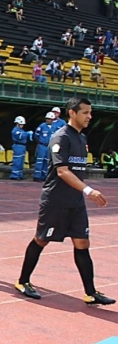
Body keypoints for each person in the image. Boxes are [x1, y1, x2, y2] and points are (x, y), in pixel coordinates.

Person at [15, 98, 115, 306]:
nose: (89, 116)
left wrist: (82, 193)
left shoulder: (82, 138)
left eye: (90, 113)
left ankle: (90, 292)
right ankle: (23, 281)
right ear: (72, 113)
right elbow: (62, 171)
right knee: (41, 239)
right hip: (56, 201)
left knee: (82, 243)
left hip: (75, 202)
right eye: (85, 112)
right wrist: (89, 190)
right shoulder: (60, 137)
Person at [33, 112, 55, 182]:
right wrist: (39, 142)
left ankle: (44, 176)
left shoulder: (54, 127)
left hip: (49, 146)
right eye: (47, 119)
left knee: (47, 162)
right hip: (42, 146)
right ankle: (37, 176)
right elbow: (36, 135)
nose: (48, 120)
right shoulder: (42, 126)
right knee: (39, 161)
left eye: (50, 119)